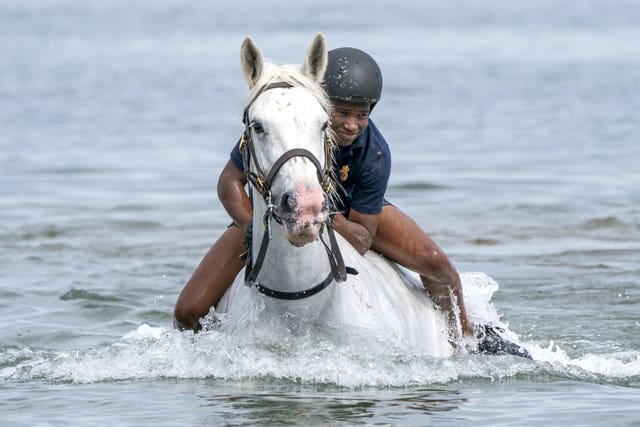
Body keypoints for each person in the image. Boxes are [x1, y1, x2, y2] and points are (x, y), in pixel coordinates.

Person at [174, 47, 474, 340]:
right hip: (275, 210)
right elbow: (229, 181)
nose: (352, 124)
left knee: (437, 265)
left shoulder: (374, 150)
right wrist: (249, 224)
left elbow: (362, 239)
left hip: (350, 211)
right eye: (341, 112)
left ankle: (469, 342)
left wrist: (324, 212)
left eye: (362, 114)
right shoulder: (282, 127)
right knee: (188, 309)